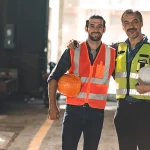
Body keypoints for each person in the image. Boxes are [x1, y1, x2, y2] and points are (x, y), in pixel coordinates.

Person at [67, 9, 150, 150]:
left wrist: (148, 88)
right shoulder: (115, 49)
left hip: (145, 111)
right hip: (123, 110)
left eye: (135, 22)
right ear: (123, 26)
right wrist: (75, 43)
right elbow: (94, 47)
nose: (131, 26)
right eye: (126, 23)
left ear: (141, 23)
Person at [47, 14, 116, 150]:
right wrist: (52, 105)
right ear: (86, 28)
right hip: (73, 110)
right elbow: (53, 77)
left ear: (104, 29)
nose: (95, 29)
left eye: (99, 26)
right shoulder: (73, 50)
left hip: (96, 113)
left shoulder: (112, 54)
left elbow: (122, 79)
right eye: (92, 25)